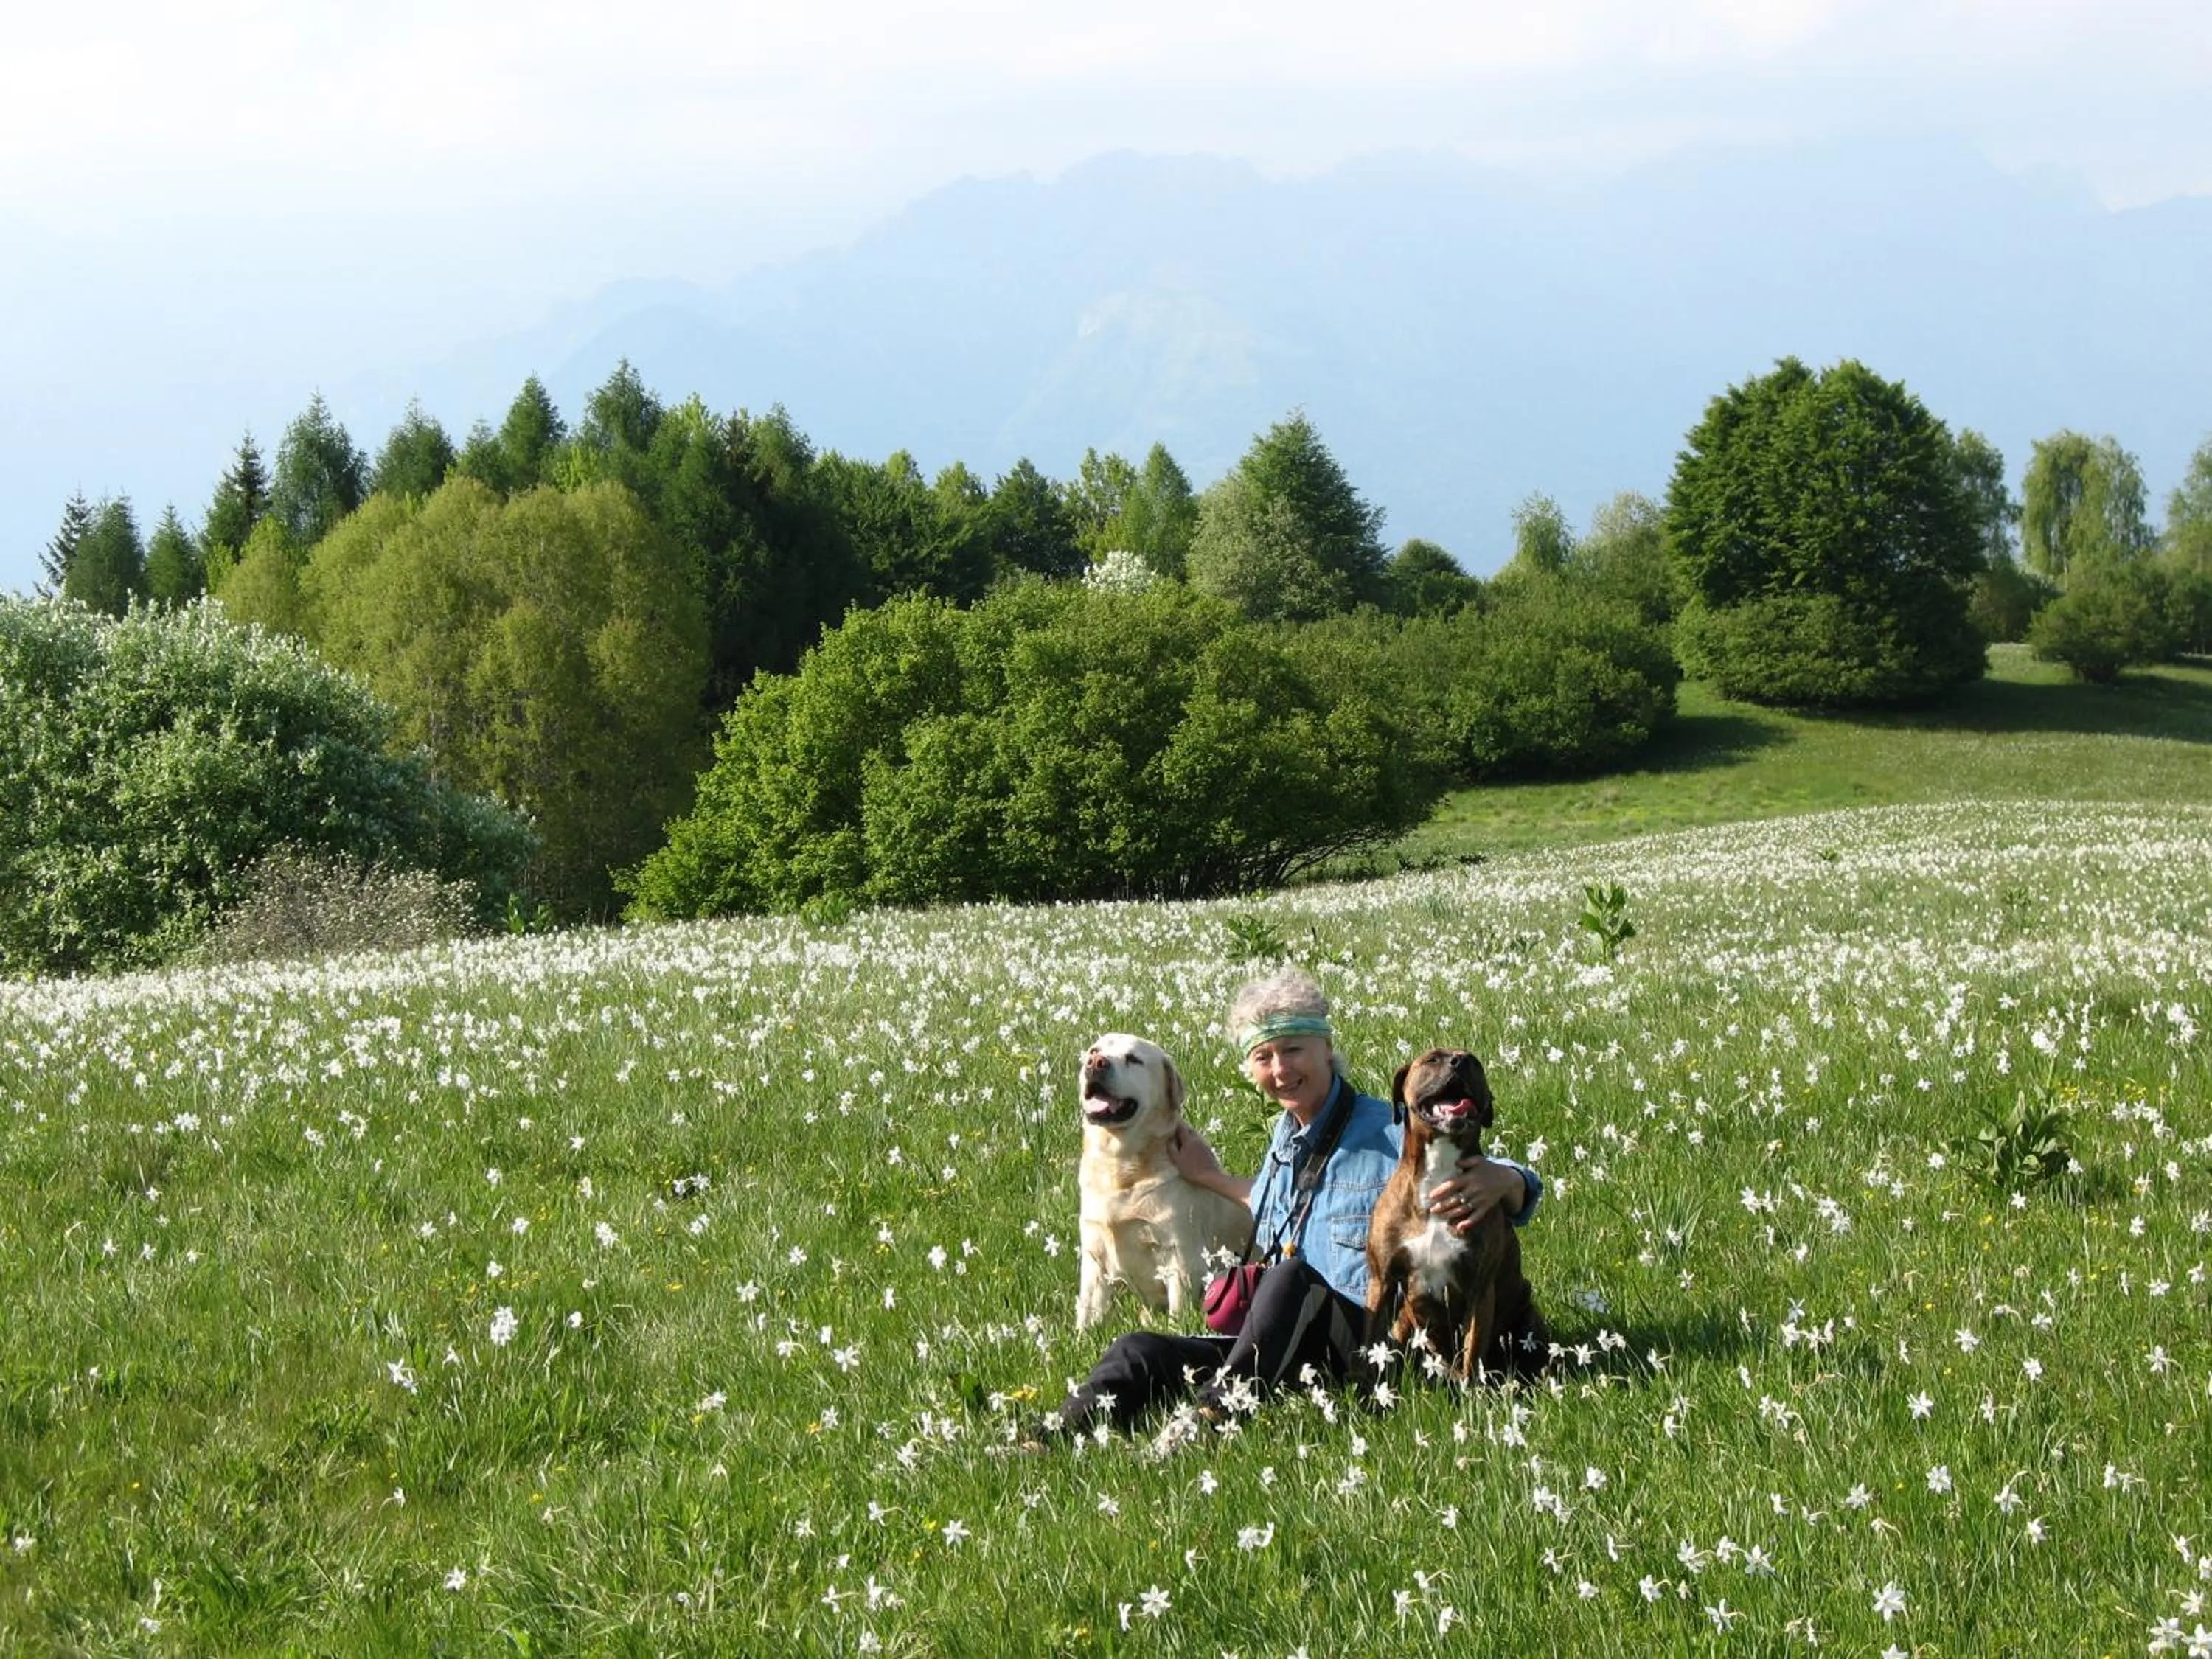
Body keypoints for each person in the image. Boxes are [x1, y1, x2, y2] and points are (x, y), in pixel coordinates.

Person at [1034, 967, 1541, 1448]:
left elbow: (1470, 1157)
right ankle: (1052, 1434)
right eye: (1264, 1056)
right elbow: (1288, 1212)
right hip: (1277, 1335)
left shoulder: (1386, 1127)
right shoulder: (1285, 1139)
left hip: (1354, 1339)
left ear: (1327, 1049)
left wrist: (1508, 1178)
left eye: (1294, 1049)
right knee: (1138, 1347)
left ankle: (1211, 1417)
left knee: (1290, 1278)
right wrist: (1211, 1178)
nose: (1280, 1069)